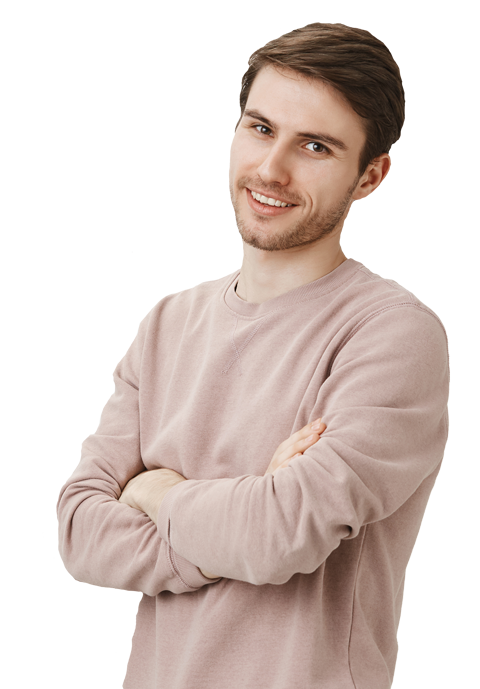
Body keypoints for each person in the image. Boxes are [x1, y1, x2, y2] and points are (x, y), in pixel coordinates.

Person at [58, 22, 449, 689]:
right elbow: (76, 527)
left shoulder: (392, 336)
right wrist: (236, 525)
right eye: (261, 128)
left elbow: (278, 534)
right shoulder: (166, 324)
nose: (271, 169)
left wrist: (155, 491)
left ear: (371, 176)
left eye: (315, 145)